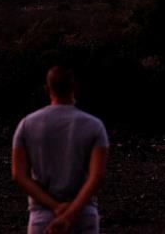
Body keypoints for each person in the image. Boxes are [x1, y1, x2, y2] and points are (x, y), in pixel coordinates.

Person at [12, 66, 109, 234]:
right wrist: (70, 214)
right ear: (74, 88)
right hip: (82, 216)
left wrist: (55, 207)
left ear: (47, 89)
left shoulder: (26, 125)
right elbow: (97, 177)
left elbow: (18, 175)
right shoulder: (94, 126)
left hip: (42, 217)